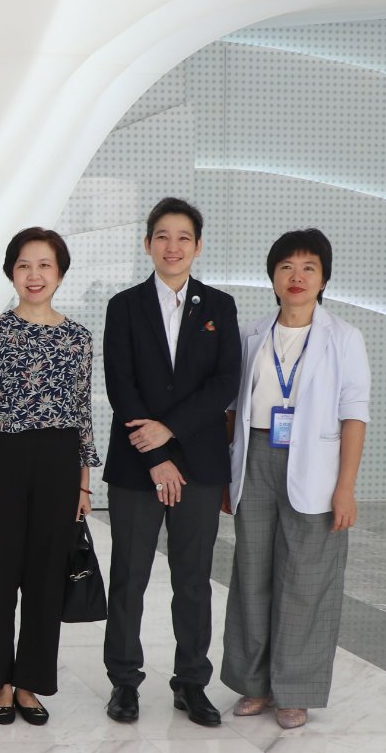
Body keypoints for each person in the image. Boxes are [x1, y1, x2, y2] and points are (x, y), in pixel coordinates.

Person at [101, 198, 241, 728]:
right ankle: (124, 681)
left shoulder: (220, 306)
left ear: (198, 246)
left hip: (200, 463)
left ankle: (191, 682)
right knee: (129, 575)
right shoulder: (124, 306)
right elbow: (121, 384)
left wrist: (171, 430)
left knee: (194, 578)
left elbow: (225, 382)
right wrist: (157, 453)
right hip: (138, 464)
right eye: (162, 236)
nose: (173, 246)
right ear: (147, 244)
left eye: (184, 237)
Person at [222, 229, 369, 730]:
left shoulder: (344, 337)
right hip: (256, 458)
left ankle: (295, 690)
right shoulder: (252, 334)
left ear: (324, 278)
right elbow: (233, 409)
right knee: (251, 573)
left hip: (316, 466)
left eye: (309, 267)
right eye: (286, 266)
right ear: (272, 277)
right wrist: (227, 474)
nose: (297, 276)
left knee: (307, 580)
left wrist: (345, 487)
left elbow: (354, 414)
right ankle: (253, 684)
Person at [0, 227, 97, 727]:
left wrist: (82, 482)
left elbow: (82, 412)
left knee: (45, 578)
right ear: (11, 273)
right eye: (24, 265)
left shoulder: (78, 337)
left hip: (59, 462)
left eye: (45, 265)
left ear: (60, 273)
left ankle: (30, 681)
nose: (34, 275)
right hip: (2, 461)